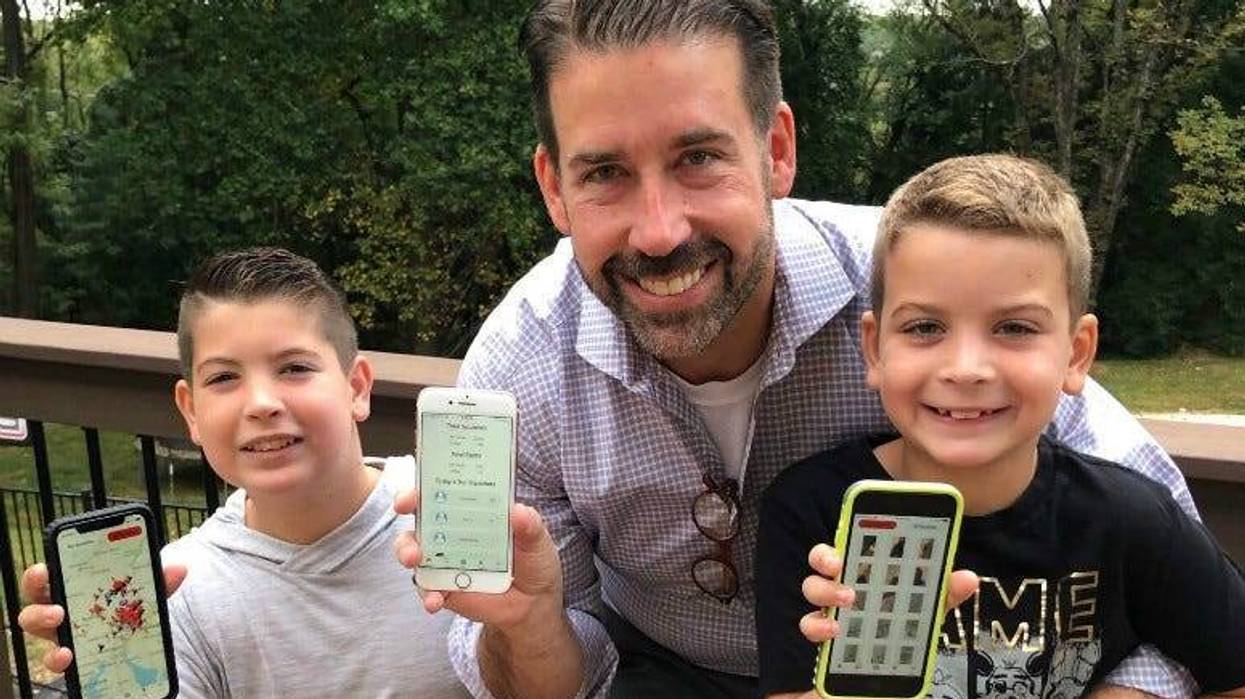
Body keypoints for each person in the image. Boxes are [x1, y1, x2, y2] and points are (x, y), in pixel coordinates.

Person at [393, 2, 1205, 698]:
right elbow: (548, 677)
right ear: (552, 188)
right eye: (604, 172)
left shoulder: (920, 300)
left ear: (776, 149)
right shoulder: (522, 362)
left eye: (698, 158)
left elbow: (1177, 556)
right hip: (659, 669)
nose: (659, 230)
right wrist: (530, 625)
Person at [754, 155, 1245, 698]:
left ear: (1076, 354)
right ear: (874, 349)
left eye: (1013, 327)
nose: (966, 367)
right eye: (925, 327)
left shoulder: (1132, 519)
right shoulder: (813, 516)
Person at [19, 248, 470, 698]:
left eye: (294, 368)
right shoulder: (180, 591)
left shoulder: (457, 520)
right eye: (223, 378)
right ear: (191, 411)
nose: (260, 402)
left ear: (356, 388)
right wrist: (112, 677)